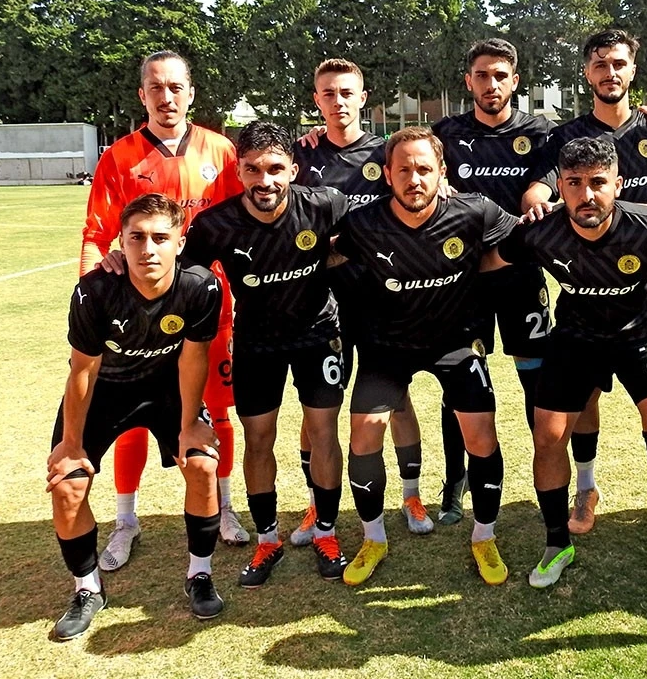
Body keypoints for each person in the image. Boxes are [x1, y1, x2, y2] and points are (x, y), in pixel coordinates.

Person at [488, 136, 647, 596]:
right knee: (547, 438)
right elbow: (489, 260)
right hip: (576, 340)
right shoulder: (539, 230)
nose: (587, 194)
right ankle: (557, 543)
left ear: (618, 185)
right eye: (574, 183)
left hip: (643, 338)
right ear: (560, 188)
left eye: (598, 182)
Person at [82, 51, 247, 573]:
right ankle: (126, 519)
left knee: (217, 411)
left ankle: (223, 505)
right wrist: (91, 302)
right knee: (131, 419)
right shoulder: (119, 157)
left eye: (176, 87)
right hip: (139, 318)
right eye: (156, 87)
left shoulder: (221, 151)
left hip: (210, 309)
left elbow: (244, 224)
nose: (167, 96)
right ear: (142, 95)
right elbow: (95, 234)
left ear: (191, 93)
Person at [331, 127, 515, 587]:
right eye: (404, 170)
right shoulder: (363, 223)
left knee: (481, 433)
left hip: (456, 342)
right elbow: (326, 254)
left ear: (442, 173)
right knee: (364, 432)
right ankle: (373, 538)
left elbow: (524, 239)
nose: (414, 179)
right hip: (387, 346)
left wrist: (480, 263)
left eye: (424, 169)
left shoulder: (474, 211)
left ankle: (484, 536)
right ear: (387, 175)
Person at [520, 29, 647, 535]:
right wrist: (539, 204)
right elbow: (540, 189)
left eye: (618, 63)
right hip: (585, 297)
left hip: (643, 295)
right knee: (585, 399)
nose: (609, 73)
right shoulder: (565, 136)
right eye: (599, 64)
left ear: (633, 69)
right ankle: (586, 487)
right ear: (587, 72)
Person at [47, 194, 225, 641]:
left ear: (180, 243)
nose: (148, 249)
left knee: (203, 465)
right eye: (137, 238)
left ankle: (200, 574)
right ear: (121, 243)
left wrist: (190, 424)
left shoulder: (201, 286)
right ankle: (87, 589)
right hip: (106, 391)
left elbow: (193, 358)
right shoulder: (94, 291)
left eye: (160, 238)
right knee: (67, 486)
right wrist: (71, 445)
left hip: (166, 389)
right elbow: (83, 370)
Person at [183, 121, 349, 586]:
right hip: (257, 342)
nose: (265, 180)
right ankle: (267, 540)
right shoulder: (215, 224)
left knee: (323, 433)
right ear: (238, 171)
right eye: (253, 169)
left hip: (318, 335)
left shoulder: (325, 204)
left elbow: (374, 232)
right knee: (258, 439)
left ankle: (326, 532)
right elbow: (183, 279)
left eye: (275, 168)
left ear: (293, 170)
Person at [292, 58, 434, 542]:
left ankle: (411, 494)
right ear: (317, 100)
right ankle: (316, 504)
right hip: (317, 302)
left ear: (363, 98)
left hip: (378, 297)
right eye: (329, 93)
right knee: (318, 409)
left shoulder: (386, 153)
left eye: (347, 92)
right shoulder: (301, 154)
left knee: (396, 399)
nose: (338, 102)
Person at [431, 38, 554, 525]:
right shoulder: (446, 132)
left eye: (501, 75)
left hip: (522, 275)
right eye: (482, 75)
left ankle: (547, 476)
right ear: (469, 81)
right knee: (460, 384)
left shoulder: (541, 132)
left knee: (536, 381)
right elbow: (399, 157)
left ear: (515, 81)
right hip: (465, 279)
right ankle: (454, 481)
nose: (491, 84)